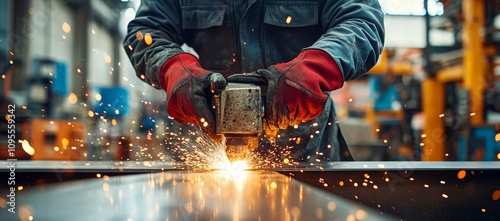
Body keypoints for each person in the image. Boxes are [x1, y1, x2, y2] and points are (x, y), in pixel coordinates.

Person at [124, 0, 385, 162]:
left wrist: (315, 69)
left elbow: (361, 22)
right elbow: (145, 33)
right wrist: (173, 69)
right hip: (213, 141)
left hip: (308, 150)